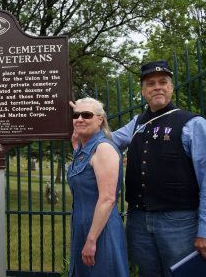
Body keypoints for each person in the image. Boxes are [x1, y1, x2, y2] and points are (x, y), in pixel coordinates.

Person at [77, 60, 206, 277]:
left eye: (163, 82)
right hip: (139, 221)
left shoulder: (193, 124)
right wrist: (84, 118)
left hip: (179, 222)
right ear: (144, 91)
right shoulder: (137, 123)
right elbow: (107, 141)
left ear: (171, 87)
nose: (157, 87)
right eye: (150, 83)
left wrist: (204, 229)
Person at [67, 97, 129, 277]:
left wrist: (92, 239)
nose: (79, 119)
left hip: (100, 230)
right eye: (76, 115)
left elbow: (108, 199)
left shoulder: (103, 149)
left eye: (86, 115)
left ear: (100, 119)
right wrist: (77, 147)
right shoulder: (83, 148)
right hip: (83, 227)